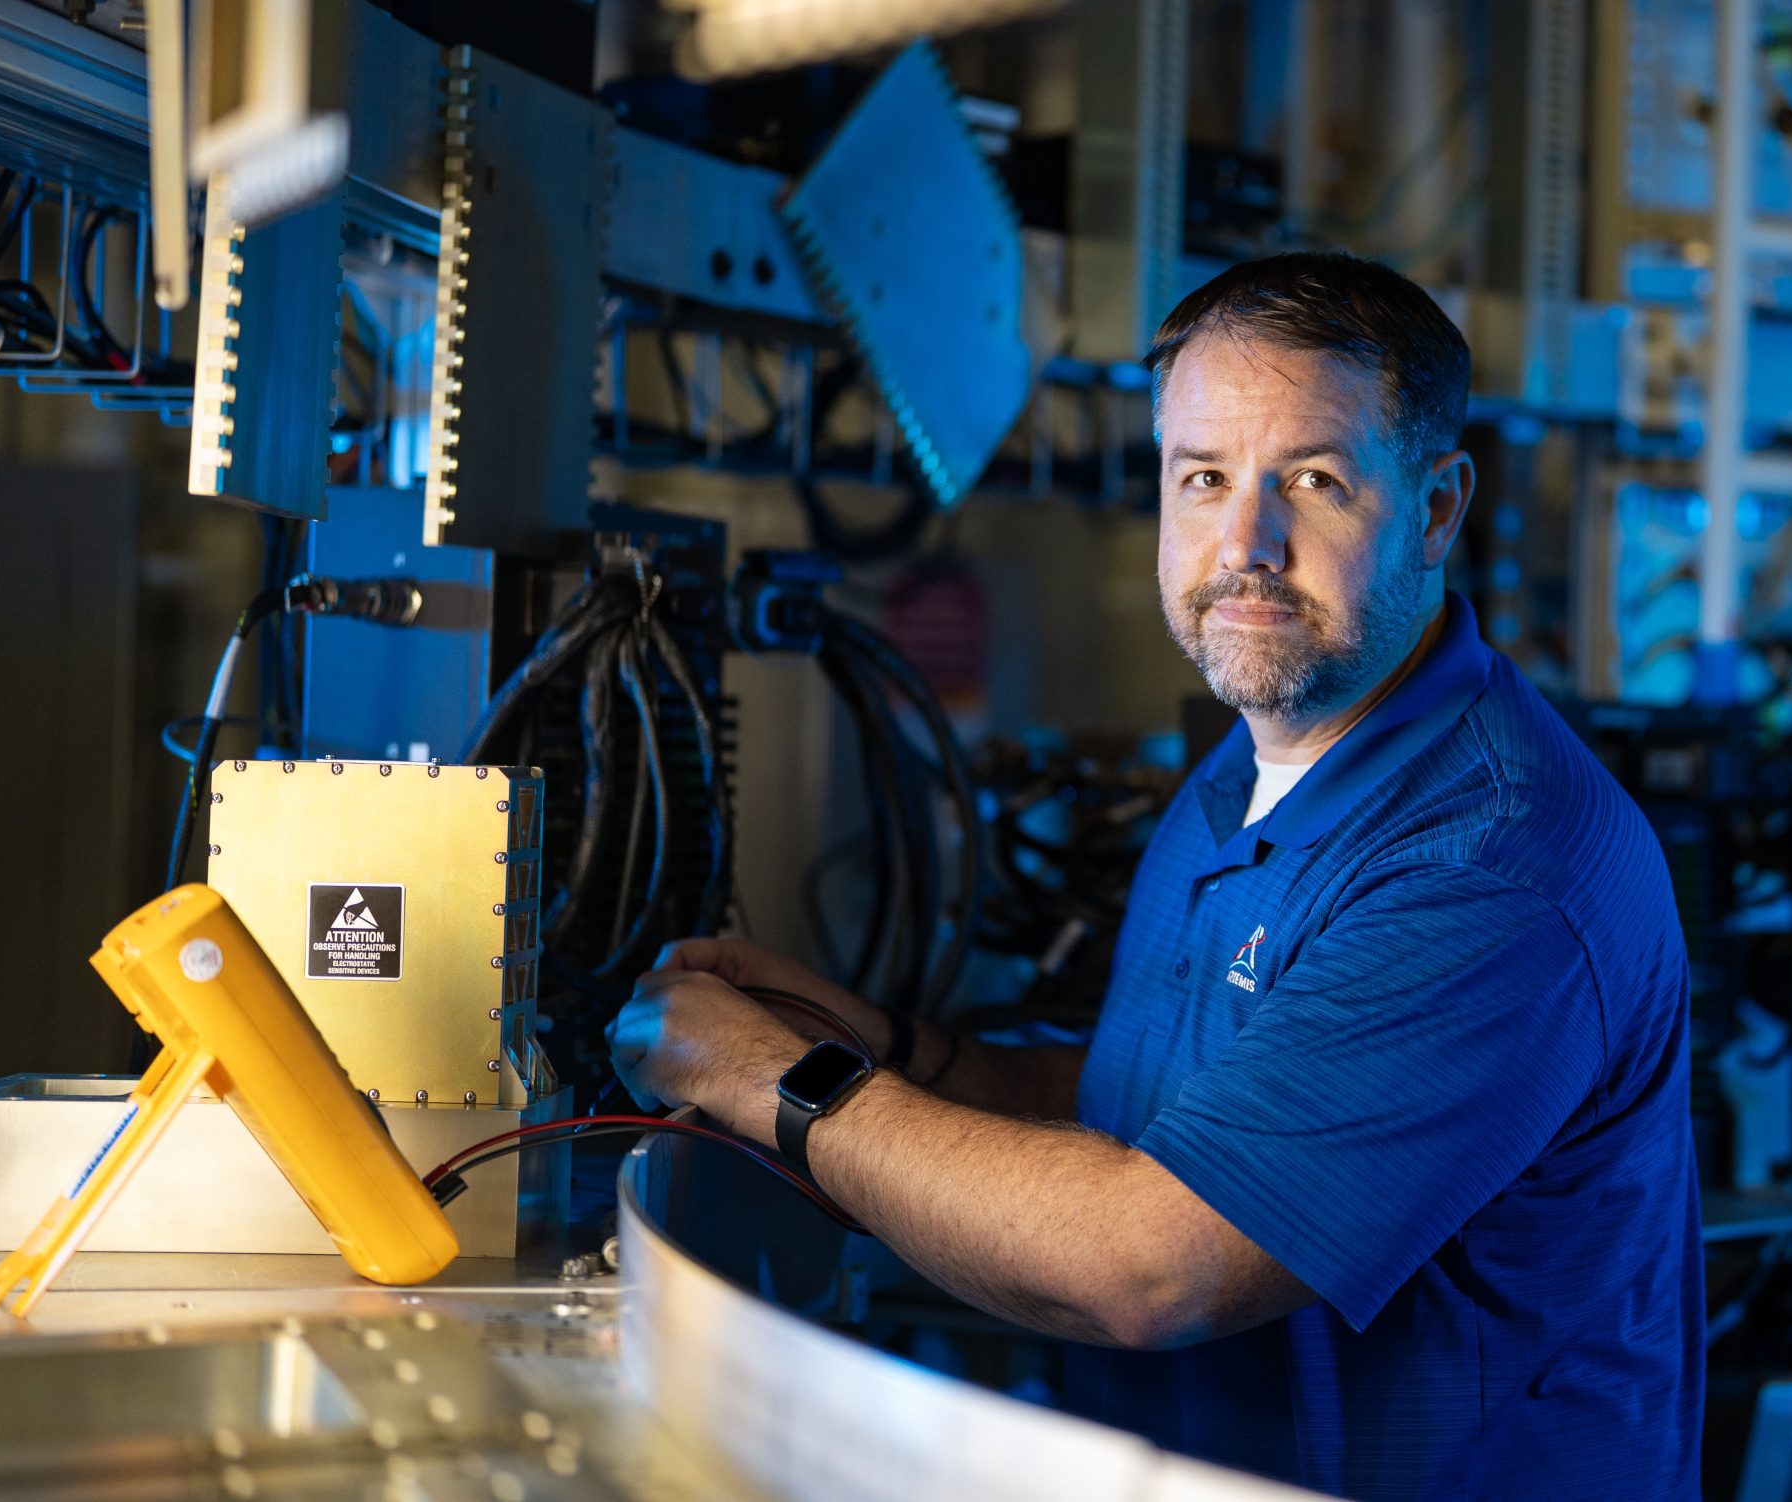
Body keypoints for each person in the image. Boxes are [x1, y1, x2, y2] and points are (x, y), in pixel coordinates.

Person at [608, 251, 1704, 1499]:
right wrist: (895, 1054)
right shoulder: (1241, 776)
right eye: (1205, 478)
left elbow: (1151, 1263)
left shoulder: (1492, 860)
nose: (1247, 543)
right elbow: (1186, 1107)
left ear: (1438, 507)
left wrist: (766, 1080)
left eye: (1315, 479)